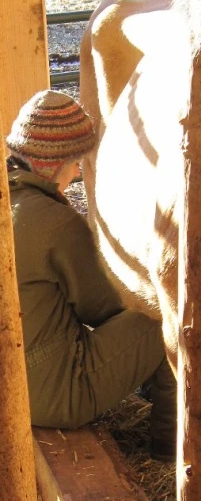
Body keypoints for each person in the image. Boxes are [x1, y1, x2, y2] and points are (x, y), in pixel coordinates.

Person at [6, 89, 176, 461]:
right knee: (167, 319)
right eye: (76, 161)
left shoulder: (11, 202)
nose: (79, 171)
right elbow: (102, 309)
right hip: (53, 396)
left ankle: (143, 383)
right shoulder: (55, 222)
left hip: (11, 383)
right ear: (53, 164)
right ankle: (172, 449)